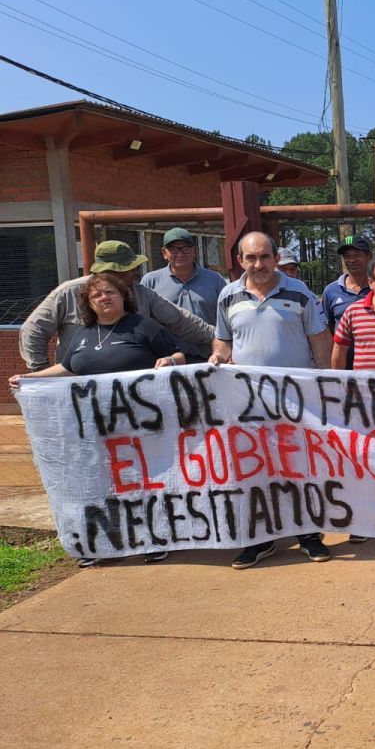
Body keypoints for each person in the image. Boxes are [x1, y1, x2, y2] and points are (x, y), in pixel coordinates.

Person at [10, 273, 184, 567]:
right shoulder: (82, 334)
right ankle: (99, 542)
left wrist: (170, 361)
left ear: (122, 296)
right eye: (97, 295)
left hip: (139, 427)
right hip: (93, 426)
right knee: (97, 484)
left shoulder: (144, 327)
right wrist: (29, 378)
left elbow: (179, 354)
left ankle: (153, 539)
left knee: (142, 482)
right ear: (89, 304)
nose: (105, 298)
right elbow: (66, 368)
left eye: (110, 292)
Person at [211, 232, 333, 570]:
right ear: (240, 261)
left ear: (276, 258)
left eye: (265, 257)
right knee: (253, 468)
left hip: (296, 400)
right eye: (251, 258)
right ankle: (261, 540)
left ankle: (308, 534)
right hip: (247, 402)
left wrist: (325, 384)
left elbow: (319, 339)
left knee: (298, 466)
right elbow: (222, 342)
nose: (258, 264)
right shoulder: (228, 296)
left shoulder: (300, 293)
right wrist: (218, 358)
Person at [19, 240, 214, 372]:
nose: (134, 273)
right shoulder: (69, 292)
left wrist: (220, 340)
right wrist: (41, 373)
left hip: (133, 386)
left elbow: (181, 321)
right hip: (80, 387)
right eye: (129, 269)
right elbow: (33, 330)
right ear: (111, 273)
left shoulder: (142, 293)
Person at [140, 227, 227, 363]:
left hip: (209, 356)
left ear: (194, 251)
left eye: (185, 248)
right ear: (164, 253)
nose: (180, 254)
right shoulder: (150, 281)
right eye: (173, 249)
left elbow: (227, 316)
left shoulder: (215, 279)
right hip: (168, 359)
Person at [321, 234, 373, 335]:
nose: (352, 260)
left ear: (368, 256)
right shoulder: (331, 291)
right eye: (347, 256)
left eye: (357, 255)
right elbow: (326, 327)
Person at [278, 250, 325, 319]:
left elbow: (322, 326)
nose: (288, 273)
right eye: (283, 269)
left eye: (292, 269)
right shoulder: (264, 294)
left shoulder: (309, 297)